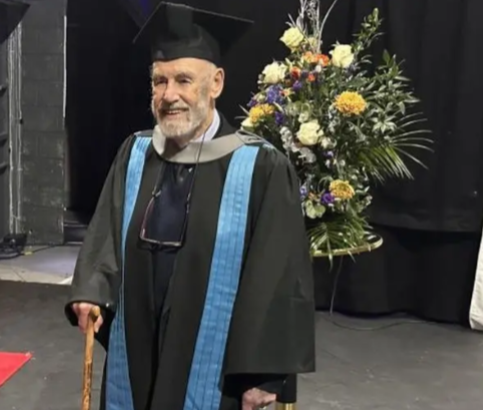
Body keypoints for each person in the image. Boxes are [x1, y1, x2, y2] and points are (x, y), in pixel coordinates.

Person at [65, 2, 316, 410]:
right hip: (138, 343)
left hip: (215, 368)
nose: (169, 95)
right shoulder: (135, 153)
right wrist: (92, 291)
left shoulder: (259, 167)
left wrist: (262, 375)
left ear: (215, 83)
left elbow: (277, 275)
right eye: (159, 81)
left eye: (184, 80)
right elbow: (105, 235)